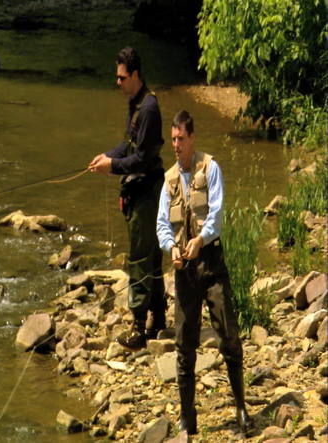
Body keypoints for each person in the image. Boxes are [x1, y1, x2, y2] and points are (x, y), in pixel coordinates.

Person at [156, 110, 251, 435]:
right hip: (184, 272)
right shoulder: (168, 180)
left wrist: (199, 241)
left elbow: (218, 214)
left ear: (192, 138)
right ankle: (187, 417)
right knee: (184, 344)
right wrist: (171, 248)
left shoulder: (211, 169)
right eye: (173, 140)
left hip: (211, 264)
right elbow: (161, 225)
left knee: (228, 334)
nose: (177, 145)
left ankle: (240, 407)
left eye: (181, 139)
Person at [89, 47, 166, 348]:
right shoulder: (135, 103)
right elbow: (127, 146)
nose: (117, 82)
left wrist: (113, 168)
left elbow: (144, 160)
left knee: (140, 258)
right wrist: (106, 157)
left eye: (122, 77)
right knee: (151, 256)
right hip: (140, 189)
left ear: (135, 75)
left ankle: (138, 327)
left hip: (147, 192)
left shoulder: (148, 109)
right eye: (116, 77)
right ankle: (158, 319)